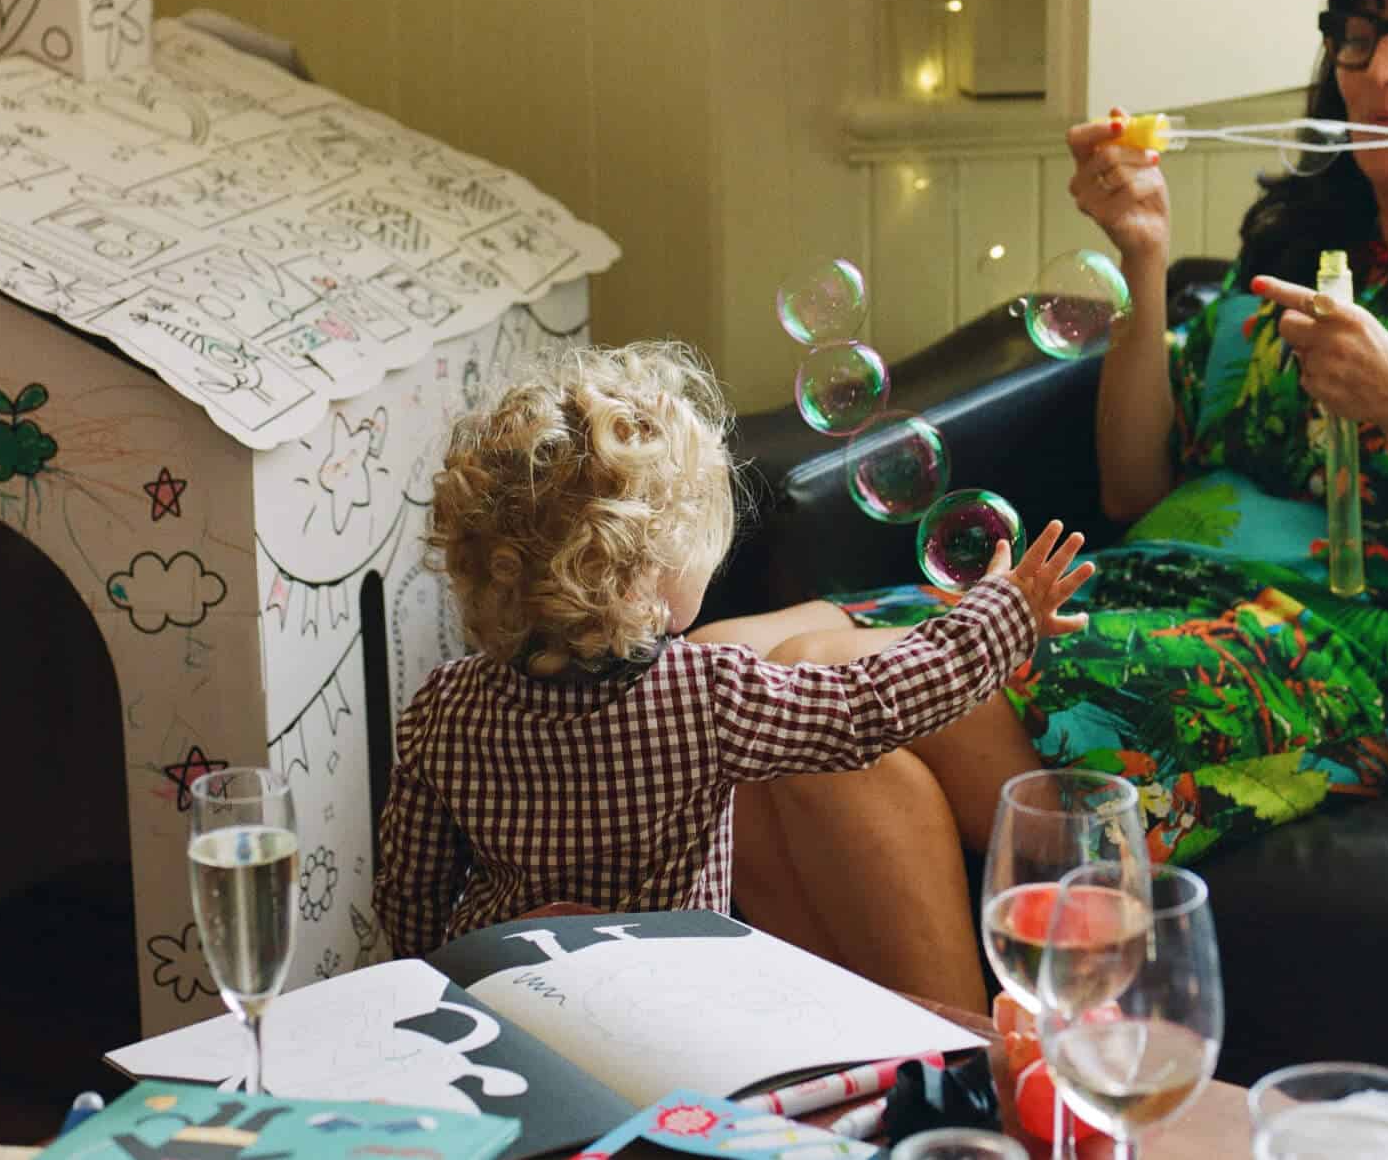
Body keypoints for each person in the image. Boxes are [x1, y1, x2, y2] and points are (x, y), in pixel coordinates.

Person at [696, 0, 1388, 1011]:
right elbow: (1135, 491)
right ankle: (873, 1089)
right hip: (1147, 588)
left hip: (1347, 637)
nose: (1380, 69)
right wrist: (1144, 255)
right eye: (1355, 38)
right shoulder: (1295, 265)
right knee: (719, 673)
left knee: (815, 695)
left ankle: (972, 1090)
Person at [372, 337, 1097, 959]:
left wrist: (431, 980)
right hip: (668, 1009)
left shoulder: (443, 705)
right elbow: (872, 702)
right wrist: (1002, 617)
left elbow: (410, 893)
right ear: (640, 584)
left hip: (509, 995)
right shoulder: (708, 695)